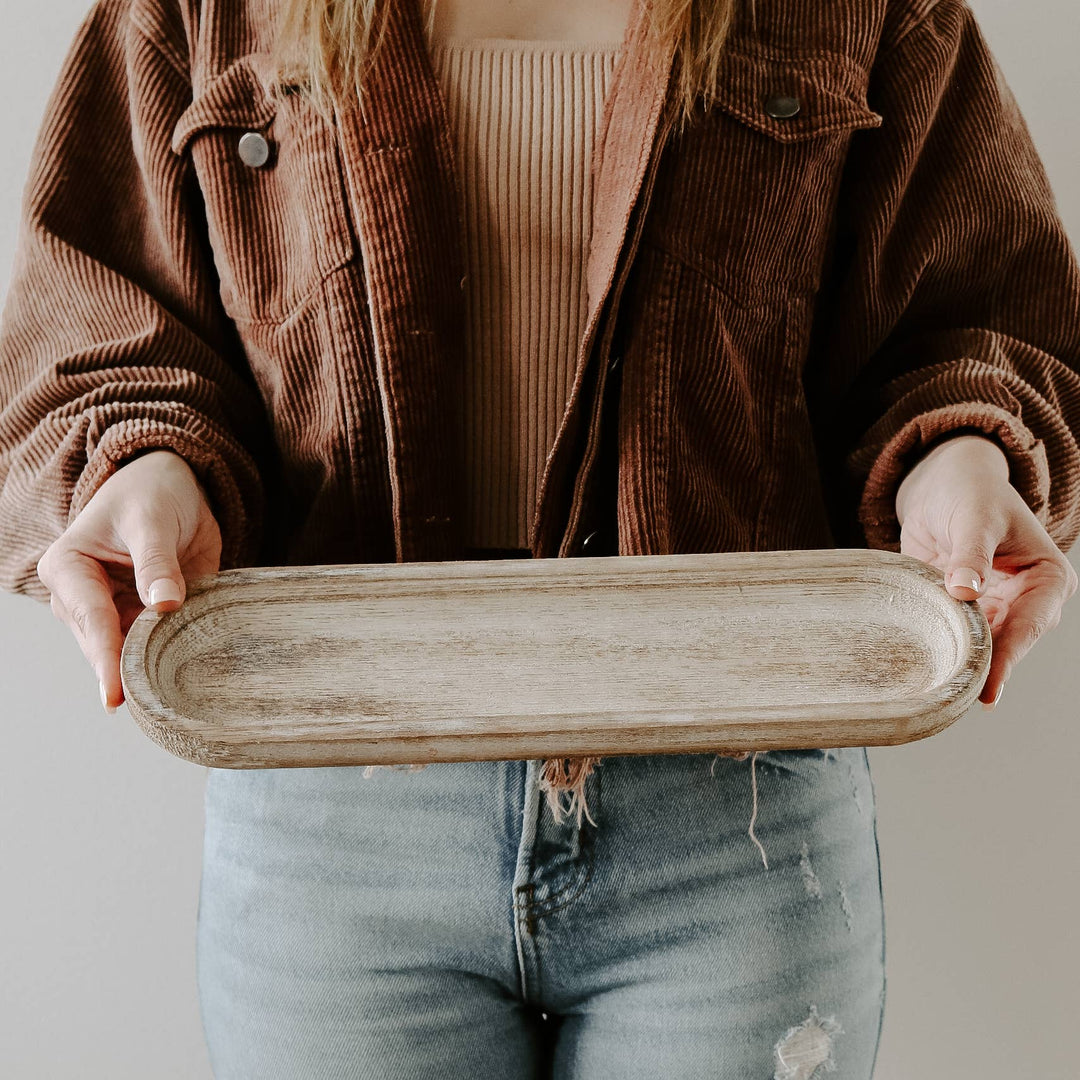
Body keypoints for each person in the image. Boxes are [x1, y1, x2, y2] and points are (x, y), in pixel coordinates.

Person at [1, 0, 1078, 1075]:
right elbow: (103, 319)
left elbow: (974, 314)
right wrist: (143, 468)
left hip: (735, 801)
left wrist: (964, 457)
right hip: (336, 799)